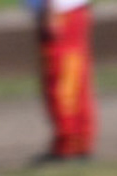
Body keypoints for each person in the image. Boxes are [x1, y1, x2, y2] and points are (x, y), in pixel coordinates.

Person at [31, 0, 97, 160]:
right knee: (74, 77)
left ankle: (68, 143)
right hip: (69, 11)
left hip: (61, 12)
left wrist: (50, 10)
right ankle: (80, 140)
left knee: (62, 80)